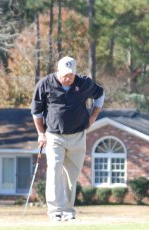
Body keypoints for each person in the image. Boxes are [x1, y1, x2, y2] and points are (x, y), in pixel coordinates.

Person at [31, 56, 104, 221]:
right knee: (55, 170)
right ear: (58, 71)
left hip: (78, 136)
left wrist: (93, 117)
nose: (67, 78)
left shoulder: (84, 83)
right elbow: (36, 112)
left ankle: (68, 211)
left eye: (70, 75)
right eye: (64, 75)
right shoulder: (45, 84)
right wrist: (41, 133)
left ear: (75, 73)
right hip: (54, 135)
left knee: (72, 176)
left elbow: (100, 94)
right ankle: (55, 211)